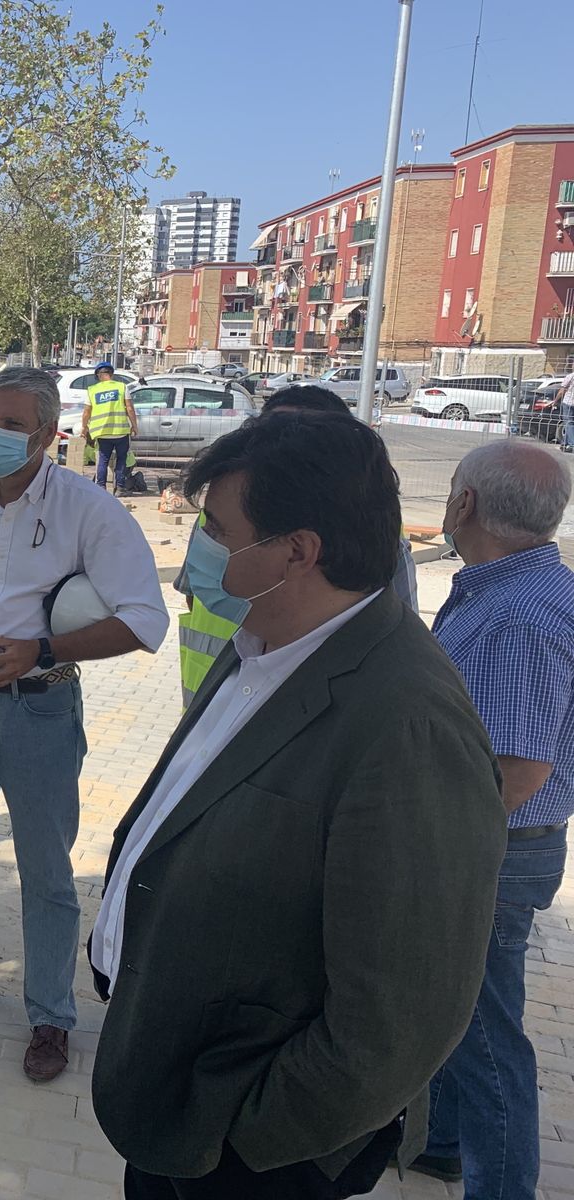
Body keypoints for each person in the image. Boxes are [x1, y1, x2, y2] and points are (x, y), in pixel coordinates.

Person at [90, 411, 505, 1199]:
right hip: (176, 1101)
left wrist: (252, 1138)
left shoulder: (405, 724)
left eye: (217, 530)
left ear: (298, 551)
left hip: (249, 1153)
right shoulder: (267, 640)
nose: (197, 549)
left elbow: (399, 1021)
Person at [0, 365, 168, 1083]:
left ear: (51, 435)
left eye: (12, 425)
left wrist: (41, 651)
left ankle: (51, 1014)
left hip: (41, 709)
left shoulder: (91, 512)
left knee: (47, 870)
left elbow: (146, 619)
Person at [417, 441, 574, 1197]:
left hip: (492, 852)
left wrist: (437, 847)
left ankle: (501, 1184)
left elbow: (518, 772)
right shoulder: (507, 590)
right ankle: (442, 1141)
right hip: (496, 845)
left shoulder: (517, 613)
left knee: (484, 1036)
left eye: (451, 489)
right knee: (462, 1012)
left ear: (467, 505)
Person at [174, 384, 420, 707]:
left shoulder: (381, 709)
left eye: (301, 443)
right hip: (213, 698)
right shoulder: (223, 518)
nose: (277, 455)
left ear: (299, 551)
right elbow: (196, 595)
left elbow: (394, 635)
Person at [82, 362, 138, 494]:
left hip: (102, 432)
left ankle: (101, 487)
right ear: (111, 374)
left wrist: (84, 428)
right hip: (121, 432)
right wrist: (134, 426)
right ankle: (119, 488)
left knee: (103, 460)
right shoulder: (122, 387)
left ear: (98, 375)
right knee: (121, 459)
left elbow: (86, 413)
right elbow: (129, 408)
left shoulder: (92, 390)